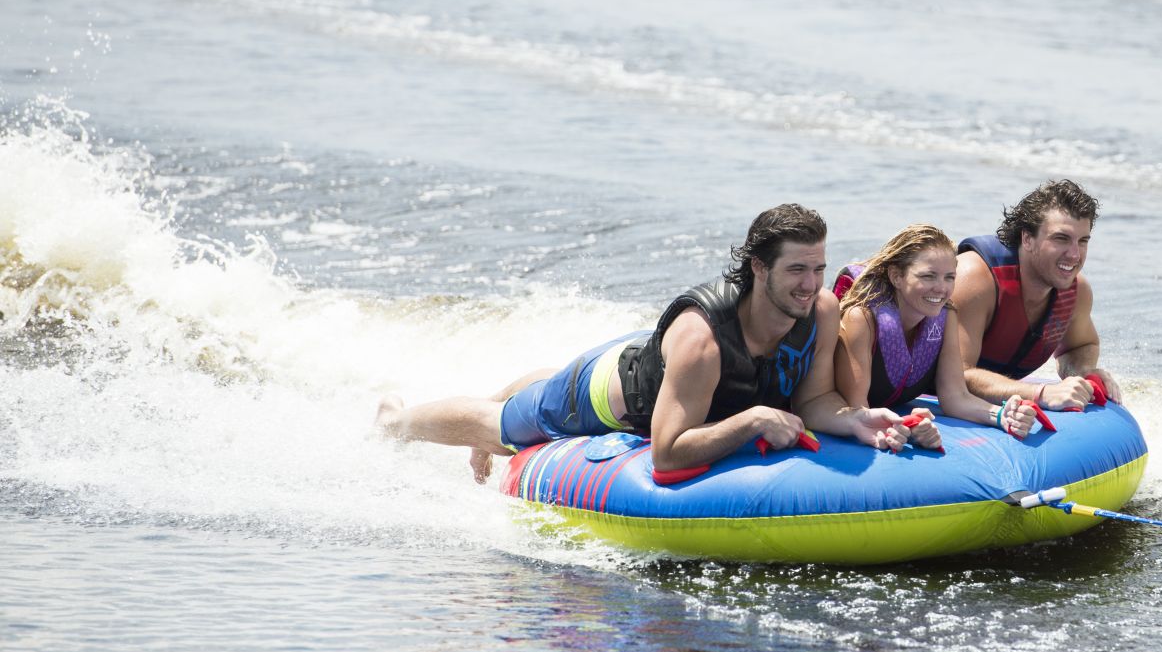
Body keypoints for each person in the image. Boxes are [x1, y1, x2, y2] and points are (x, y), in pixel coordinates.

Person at [376, 204, 912, 482]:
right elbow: (667, 455)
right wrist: (750, 421)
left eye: (818, 267)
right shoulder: (703, 342)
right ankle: (395, 421)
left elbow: (815, 400)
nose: (811, 283)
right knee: (502, 428)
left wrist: (854, 418)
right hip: (615, 398)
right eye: (796, 269)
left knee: (547, 384)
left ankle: (532, 384)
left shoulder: (819, 311)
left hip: (661, 363)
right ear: (757, 267)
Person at [833, 224, 1039, 441]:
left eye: (949, 277)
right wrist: (905, 429)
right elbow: (857, 410)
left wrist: (1000, 415)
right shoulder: (862, 317)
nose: (941, 288)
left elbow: (955, 397)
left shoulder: (945, 316)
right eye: (929, 276)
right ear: (896, 276)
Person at [951, 179, 1122, 411]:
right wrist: (1040, 394)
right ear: (1027, 239)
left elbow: (1080, 346)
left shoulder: (1076, 291)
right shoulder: (975, 278)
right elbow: (957, 374)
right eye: (1061, 239)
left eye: (1082, 242)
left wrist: (1082, 372)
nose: (1074, 255)